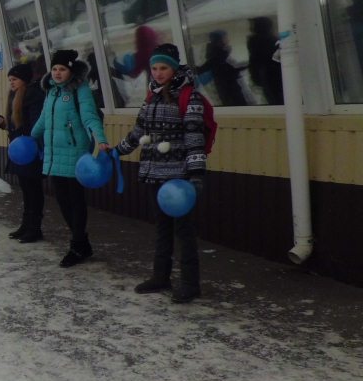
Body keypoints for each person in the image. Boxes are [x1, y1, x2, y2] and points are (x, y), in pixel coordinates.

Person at [113, 43, 206, 303]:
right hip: (153, 172)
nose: (158, 73)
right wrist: (117, 151)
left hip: (178, 178)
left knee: (184, 231)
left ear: (174, 68)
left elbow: (195, 138)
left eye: (163, 67)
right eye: (154, 68)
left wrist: (196, 175)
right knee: (162, 228)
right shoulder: (151, 96)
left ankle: (190, 283)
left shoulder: (189, 97)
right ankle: (160, 276)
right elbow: (138, 132)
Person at [30, 49, 108, 267]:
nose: (57, 73)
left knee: (76, 201)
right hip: (54, 154)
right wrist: (30, 136)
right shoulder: (51, 91)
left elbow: (90, 117)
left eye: (62, 69)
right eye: (54, 69)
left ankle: (77, 245)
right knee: (63, 202)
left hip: (75, 153)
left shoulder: (80, 90)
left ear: (71, 71)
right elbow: (44, 119)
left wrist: (100, 139)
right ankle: (82, 243)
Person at [0, 62, 45, 242]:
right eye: (10, 79)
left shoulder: (33, 95)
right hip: (19, 150)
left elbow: (36, 124)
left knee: (33, 189)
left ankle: (35, 228)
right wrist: (3, 124)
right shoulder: (14, 95)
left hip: (30, 149)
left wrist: (26, 137)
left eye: (15, 79)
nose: (11, 82)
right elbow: (16, 124)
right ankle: (26, 224)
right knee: (25, 189)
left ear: (24, 80)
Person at [198, 30, 248, 106]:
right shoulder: (218, 55)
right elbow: (226, 71)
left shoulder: (219, 54)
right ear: (219, 39)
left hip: (228, 90)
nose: (228, 40)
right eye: (225, 37)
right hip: (229, 91)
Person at [246, 17, 283, 105]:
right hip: (276, 74)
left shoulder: (253, 41)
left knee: (273, 98)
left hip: (265, 75)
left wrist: (255, 77)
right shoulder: (273, 39)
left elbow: (253, 60)